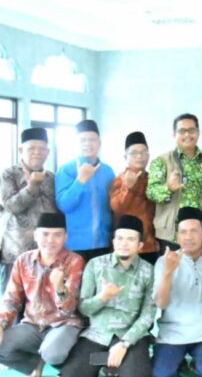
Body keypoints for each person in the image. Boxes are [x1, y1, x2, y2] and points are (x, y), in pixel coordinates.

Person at [59, 215, 155, 377]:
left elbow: (148, 315)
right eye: (120, 238)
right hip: (96, 333)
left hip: (131, 336)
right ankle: (107, 364)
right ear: (113, 242)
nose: (124, 243)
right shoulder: (95, 265)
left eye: (130, 239)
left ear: (140, 245)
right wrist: (103, 297)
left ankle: (116, 365)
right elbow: (84, 309)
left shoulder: (148, 271)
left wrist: (124, 344)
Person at [0, 213, 84, 376]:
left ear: (65, 237)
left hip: (63, 323)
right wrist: (1, 324)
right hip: (32, 324)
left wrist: (60, 287)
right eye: (45, 234)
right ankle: (35, 364)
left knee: (53, 353)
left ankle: (57, 358)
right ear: (35, 235)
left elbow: (69, 309)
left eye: (57, 235)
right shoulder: (23, 260)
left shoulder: (74, 261)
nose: (50, 240)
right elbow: (11, 299)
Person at [152, 207, 202, 377]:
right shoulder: (164, 261)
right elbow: (160, 303)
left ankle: (195, 362)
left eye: (193, 231)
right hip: (172, 335)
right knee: (161, 373)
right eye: (183, 232)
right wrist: (168, 272)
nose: (188, 237)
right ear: (177, 236)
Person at [147, 113, 202, 251]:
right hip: (172, 234)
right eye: (182, 131)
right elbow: (151, 192)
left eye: (191, 130)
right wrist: (168, 188)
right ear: (174, 134)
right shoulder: (162, 161)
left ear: (198, 133)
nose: (187, 134)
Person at [0, 128, 57, 291]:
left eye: (42, 149)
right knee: (13, 299)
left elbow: (55, 209)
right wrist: (31, 187)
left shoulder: (51, 177)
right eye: (31, 148)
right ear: (21, 150)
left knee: (41, 298)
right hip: (15, 251)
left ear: (47, 152)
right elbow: (11, 206)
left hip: (46, 251)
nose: (37, 153)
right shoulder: (9, 174)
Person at [55, 119, 115, 261]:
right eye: (83, 140)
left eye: (92, 140)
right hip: (75, 245)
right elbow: (64, 205)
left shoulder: (107, 171)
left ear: (99, 143)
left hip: (103, 243)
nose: (88, 143)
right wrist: (80, 180)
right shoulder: (66, 170)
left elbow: (112, 206)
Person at [110, 131, 158, 264]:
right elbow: (116, 208)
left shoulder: (152, 180)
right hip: (127, 247)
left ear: (148, 156)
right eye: (134, 153)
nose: (139, 156)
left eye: (143, 152)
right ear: (125, 156)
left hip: (150, 245)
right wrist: (128, 187)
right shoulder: (119, 180)